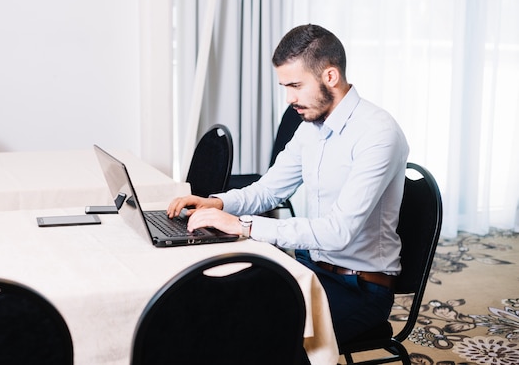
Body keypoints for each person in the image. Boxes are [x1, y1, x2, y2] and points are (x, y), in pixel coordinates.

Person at [167, 23, 409, 345]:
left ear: (330, 77)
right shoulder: (311, 125)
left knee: (261, 339)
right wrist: (218, 203)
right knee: (216, 309)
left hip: (361, 289)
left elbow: (338, 232)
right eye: (285, 86)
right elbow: (270, 190)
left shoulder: (378, 134)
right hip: (308, 271)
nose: (288, 98)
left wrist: (244, 226)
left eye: (295, 85)